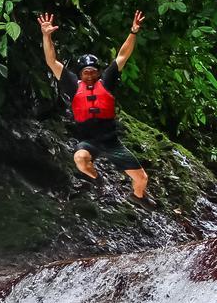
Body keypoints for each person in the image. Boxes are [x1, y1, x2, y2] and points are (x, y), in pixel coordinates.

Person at [37, 11, 149, 200]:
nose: (89, 76)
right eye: (86, 72)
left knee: (142, 178)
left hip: (111, 142)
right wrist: (46, 35)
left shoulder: (106, 82)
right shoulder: (73, 85)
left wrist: (133, 32)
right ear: (80, 74)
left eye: (93, 72)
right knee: (79, 159)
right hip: (89, 142)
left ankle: (138, 197)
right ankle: (98, 181)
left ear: (98, 73)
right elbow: (51, 61)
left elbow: (122, 56)